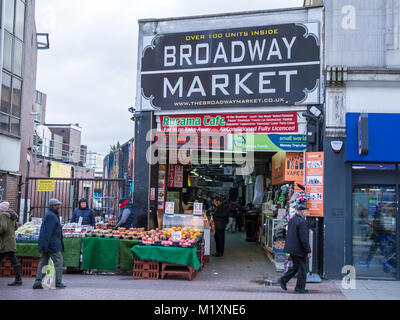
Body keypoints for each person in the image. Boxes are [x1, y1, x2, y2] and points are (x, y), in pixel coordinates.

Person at [33, 198, 66, 289]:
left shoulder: (50, 214)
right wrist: (46, 244)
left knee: (43, 261)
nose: (59, 206)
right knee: (58, 261)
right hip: (52, 244)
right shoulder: (51, 216)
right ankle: (57, 282)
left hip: (48, 243)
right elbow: (47, 231)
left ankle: (38, 281)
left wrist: (44, 245)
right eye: (57, 205)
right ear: (52, 206)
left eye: (59, 205)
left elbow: (46, 231)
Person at [278, 203, 312, 294]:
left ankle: (283, 280)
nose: (306, 213)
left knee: (296, 267)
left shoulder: (293, 219)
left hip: (291, 248)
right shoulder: (302, 222)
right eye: (305, 211)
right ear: (301, 212)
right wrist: (308, 250)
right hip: (298, 249)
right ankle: (299, 288)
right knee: (302, 269)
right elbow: (304, 238)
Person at [0, 201, 22, 286]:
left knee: (13, 260)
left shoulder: (3, 216)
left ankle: (18, 280)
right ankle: (18, 280)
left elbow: (3, 228)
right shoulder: (12, 216)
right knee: (14, 261)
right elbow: (16, 227)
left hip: (4, 243)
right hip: (11, 242)